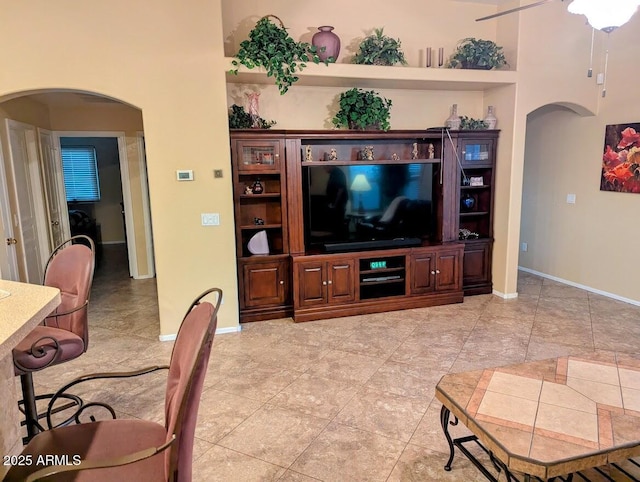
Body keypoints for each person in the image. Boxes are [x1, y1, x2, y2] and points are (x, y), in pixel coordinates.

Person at [325, 166, 348, 238]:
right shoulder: (334, 173)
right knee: (335, 222)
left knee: (338, 222)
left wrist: (335, 203)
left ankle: (338, 239)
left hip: (338, 203)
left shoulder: (337, 173)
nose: (324, 168)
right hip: (335, 202)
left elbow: (340, 189)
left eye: (325, 167)